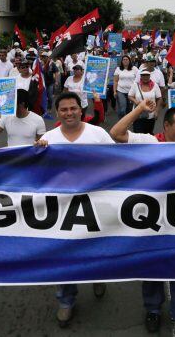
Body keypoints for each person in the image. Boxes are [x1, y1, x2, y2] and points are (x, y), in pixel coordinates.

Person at [108, 100, 175, 336]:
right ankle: (153, 310)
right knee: (152, 268)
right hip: (151, 221)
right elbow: (116, 133)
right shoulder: (148, 142)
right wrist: (140, 110)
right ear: (166, 126)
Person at [34, 92, 113, 328]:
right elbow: (36, 175)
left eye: (73, 108)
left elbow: (118, 162)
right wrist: (37, 153)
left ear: (81, 110)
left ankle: (98, 276)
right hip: (62, 210)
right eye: (64, 109)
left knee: (95, 248)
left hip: (95, 204)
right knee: (65, 256)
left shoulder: (98, 134)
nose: (69, 113)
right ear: (57, 113)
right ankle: (66, 300)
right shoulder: (49, 138)